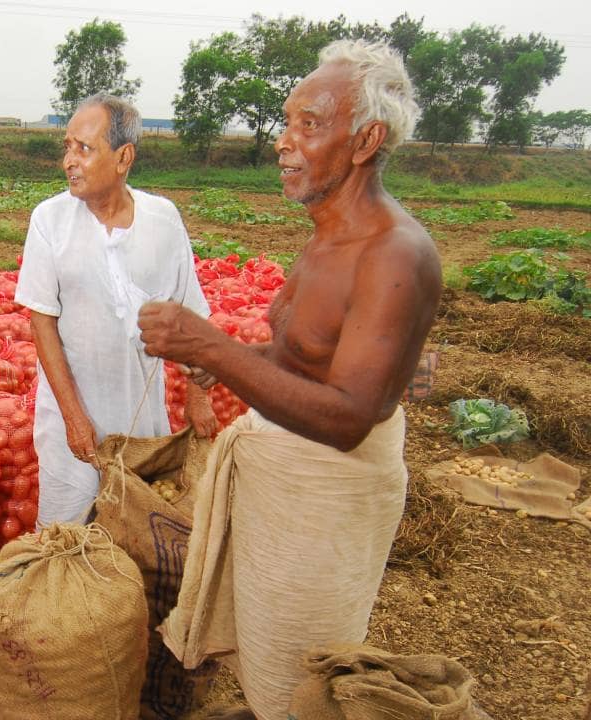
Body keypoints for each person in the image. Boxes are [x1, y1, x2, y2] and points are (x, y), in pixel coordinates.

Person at [142, 40, 441, 719]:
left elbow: (347, 416)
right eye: (287, 122)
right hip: (285, 492)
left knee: (307, 676)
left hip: (325, 505)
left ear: (366, 140)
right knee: (268, 661)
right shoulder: (327, 238)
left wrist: (216, 350)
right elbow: (303, 363)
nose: (283, 143)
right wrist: (219, 354)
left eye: (309, 124)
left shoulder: (395, 255)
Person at [14, 92, 217, 527]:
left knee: (137, 537)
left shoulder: (163, 220)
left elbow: (190, 312)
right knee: (66, 536)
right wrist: (73, 419)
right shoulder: (50, 220)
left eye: (84, 148)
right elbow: (42, 322)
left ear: (124, 156)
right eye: (66, 147)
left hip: (143, 424)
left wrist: (198, 398)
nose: (69, 160)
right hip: (71, 425)